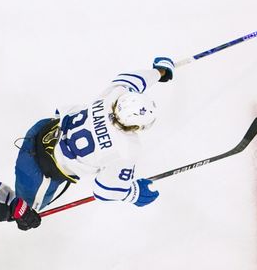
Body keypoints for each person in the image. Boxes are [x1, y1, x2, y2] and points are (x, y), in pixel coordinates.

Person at [14, 56, 176, 211]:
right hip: (39, 173)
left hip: (40, 131)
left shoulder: (115, 95)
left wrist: (159, 71)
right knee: (22, 211)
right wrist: (132, 193)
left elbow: (135, 79)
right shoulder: (126, 149)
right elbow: (104, 191)